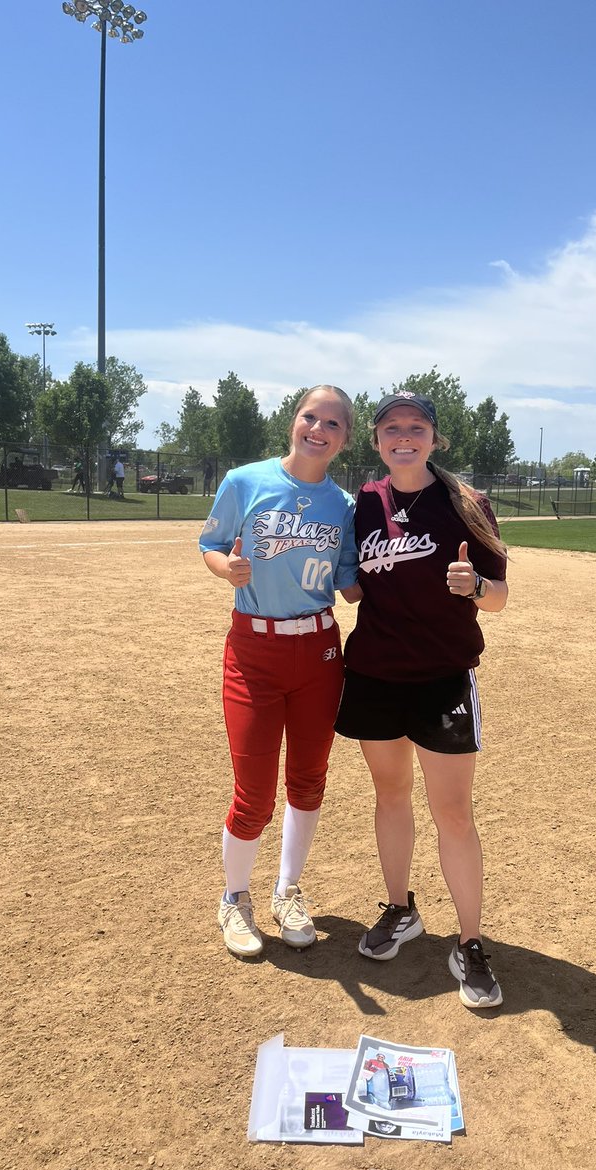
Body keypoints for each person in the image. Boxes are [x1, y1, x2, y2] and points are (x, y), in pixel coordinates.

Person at [334, 392, 509, 1009]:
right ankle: (400, 909)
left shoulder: (466, 504)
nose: (403, 436)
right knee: (390, 795)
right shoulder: (364, 505)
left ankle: (469, 941)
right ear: (376, 440)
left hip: (442, 677)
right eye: (391, 428)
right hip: (376, 674)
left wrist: (476, 584)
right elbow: (354, 590)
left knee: (453, 813)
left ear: (434, 438)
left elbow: (499, 598)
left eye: (416, 427)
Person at [199, 385, 359, 958]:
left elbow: (349, 582)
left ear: (344, 439)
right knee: (254, 793)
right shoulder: (246, 481)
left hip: (318, 653)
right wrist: (227, 568)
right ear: (292, 422)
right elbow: (210, 542)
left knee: (309, 780)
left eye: (332, 424)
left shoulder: (343, 505)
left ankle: (288, 890)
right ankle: (234, 898)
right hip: (254, 652)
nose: (318, 429)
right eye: (309, 417)